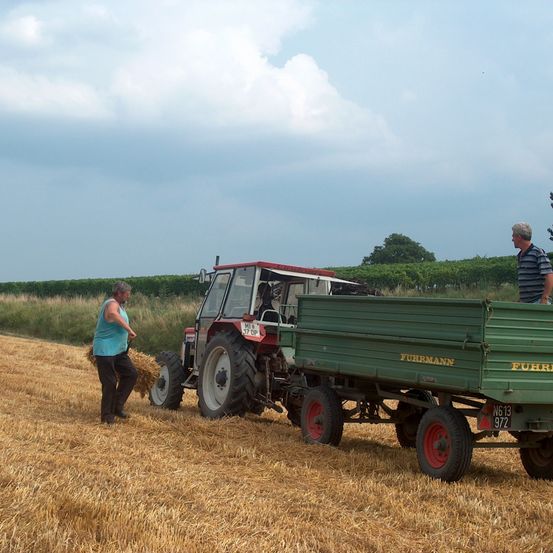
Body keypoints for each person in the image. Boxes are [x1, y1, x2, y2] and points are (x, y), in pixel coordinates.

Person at [93, 281, 138, 424]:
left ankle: (117, 406)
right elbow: (112, 314)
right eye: (126, 294)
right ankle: (107, 417)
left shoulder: (121, 306)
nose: (128, 297)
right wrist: (129, 329)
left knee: (131, 373)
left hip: (118, 351)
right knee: (110, 383)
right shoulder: (111, 303)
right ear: (119, 293)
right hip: (105, 350)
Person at [512, 222, 553, 304]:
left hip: (538, 302)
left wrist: (544, 298)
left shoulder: (537, 252)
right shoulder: (520, 255)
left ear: (519, 237)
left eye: (513, 236)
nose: (512, 239)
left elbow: (549, 275)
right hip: (526, 303)